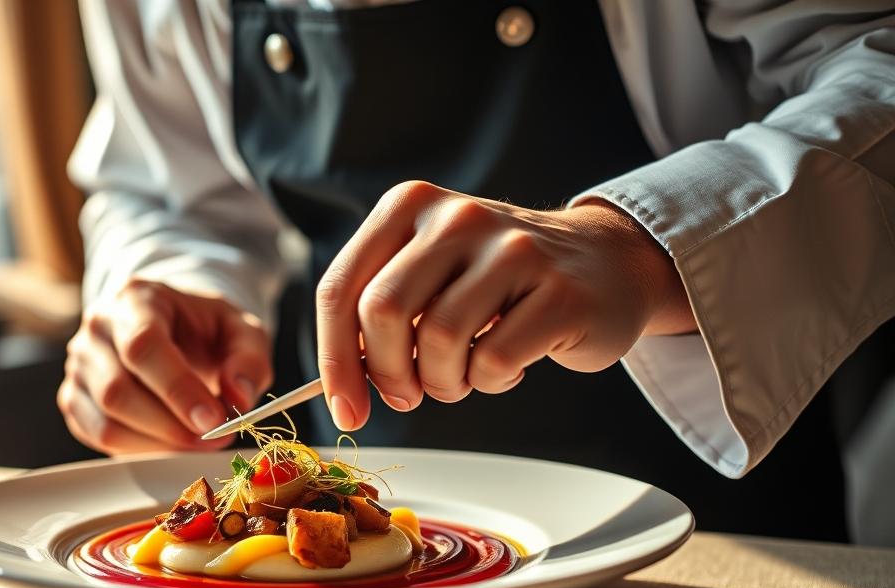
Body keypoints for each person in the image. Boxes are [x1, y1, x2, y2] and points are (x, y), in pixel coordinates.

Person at [58, 0, 895, 541]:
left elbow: (877, 57)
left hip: (723, 540)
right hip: (350, 568)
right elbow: (170, 187)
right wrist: (171, 283)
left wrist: (640, 246)